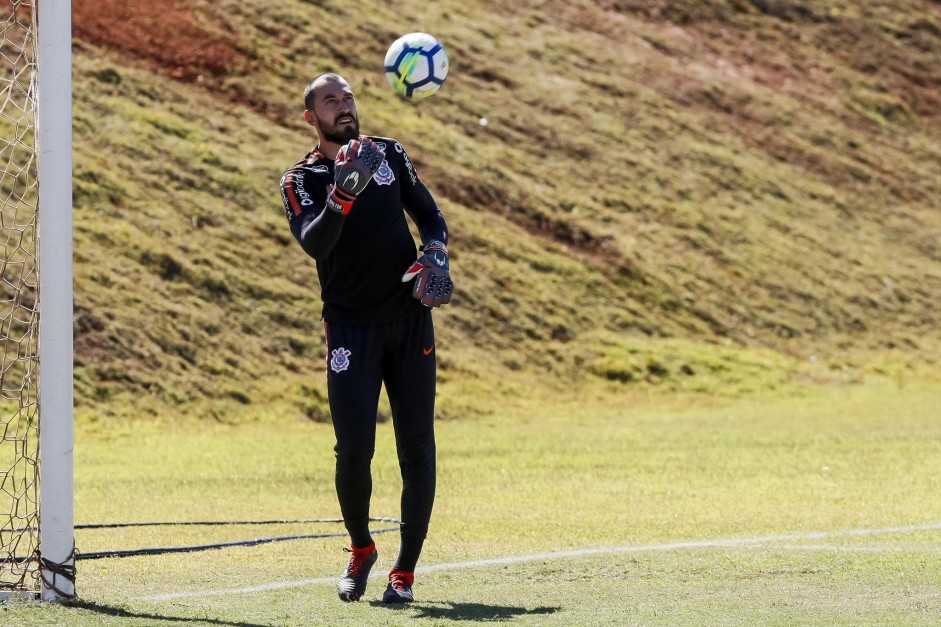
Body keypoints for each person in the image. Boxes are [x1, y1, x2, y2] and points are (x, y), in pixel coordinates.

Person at [279, 73, 453, 604]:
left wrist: (436, 253)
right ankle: (360, 548)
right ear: (311, 118)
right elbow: (315, 245)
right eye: (330, 100)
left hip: (409, 321)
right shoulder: (301, 179)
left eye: (347, 96)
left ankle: (405, 570)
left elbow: (431, 217)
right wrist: (341, 194)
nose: (343, 105)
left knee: (417, 448)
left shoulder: (389, 154)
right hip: (351, 329)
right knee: (354, 452)